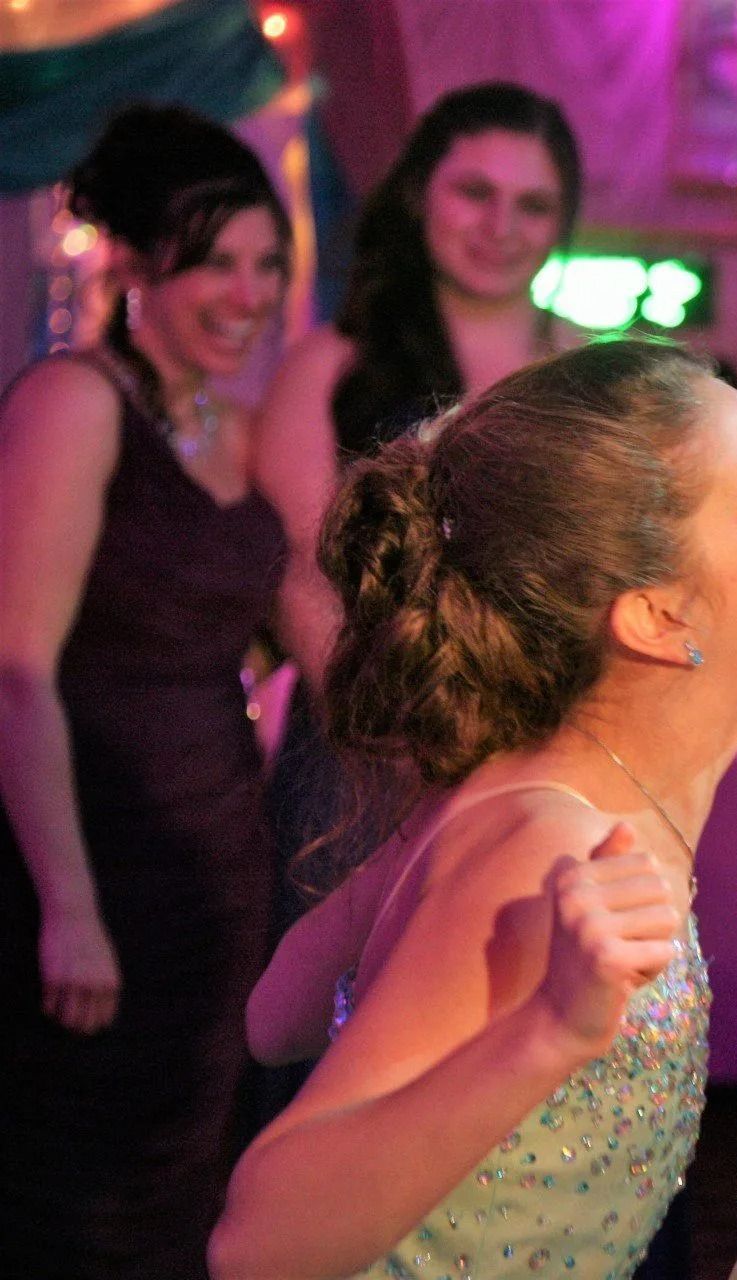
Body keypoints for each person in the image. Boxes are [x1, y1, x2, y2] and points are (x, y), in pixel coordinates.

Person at [210, 339, 737, 1278]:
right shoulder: (546, 845)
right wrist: (549, 1031)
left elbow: (277, 1016)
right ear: (658, 616)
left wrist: (407, 867)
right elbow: (256, 1248)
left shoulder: (541, 802)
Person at [0, 106, 292, 1277]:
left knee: (184, 1190)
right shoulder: (72, 403)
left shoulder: (232, 430)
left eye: (266, 263)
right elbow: (17, 669)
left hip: (216, 878)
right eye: (215, 259)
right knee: (78, 1199)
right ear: (130, 259)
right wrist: (69, 903)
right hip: (97, 876)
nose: (250, 291)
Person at [253, 80, 588, 1028]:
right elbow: (298, 574)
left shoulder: (583, 382)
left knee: (506, 1043)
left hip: (536, 759)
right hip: (361, 756)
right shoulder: (331, 367)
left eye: (533, 204)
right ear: (417, 198)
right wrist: (398, 746)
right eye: (473, 191)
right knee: (338, 1045)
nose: (500, 225)